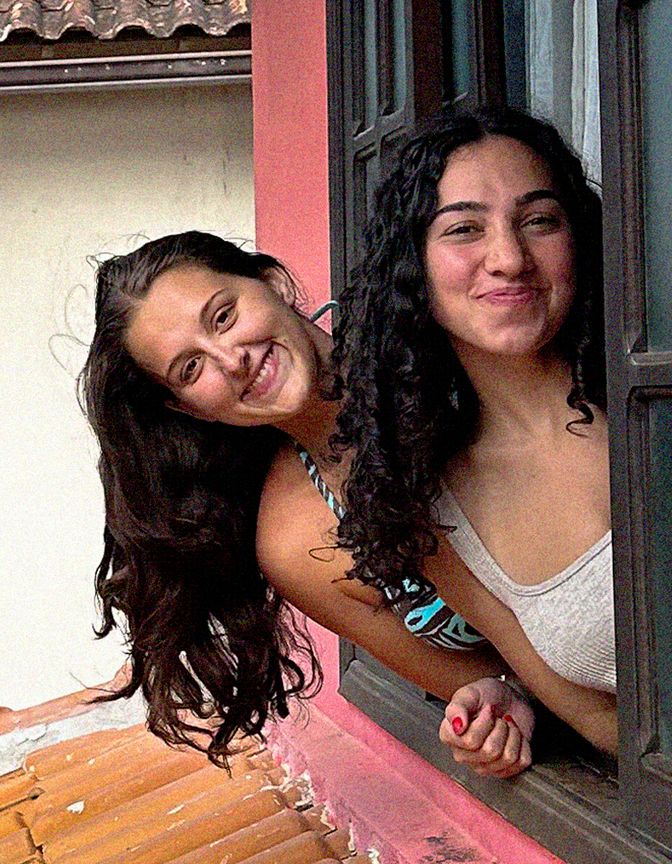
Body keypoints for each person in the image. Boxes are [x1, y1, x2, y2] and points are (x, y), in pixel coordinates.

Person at [80, 231, 530, 776]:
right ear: (189, 409)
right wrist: (496, 702)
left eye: (223, 317)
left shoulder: (434, 342)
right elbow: (494, 678)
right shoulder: (296, 541)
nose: (232, 360)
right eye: (191, 369)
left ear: (271, 283)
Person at [333, 106, 618, 760]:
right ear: (414, 269)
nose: (509, 258)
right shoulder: (437, 517)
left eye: (539, 221)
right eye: (465, 229)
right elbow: (598, 719)